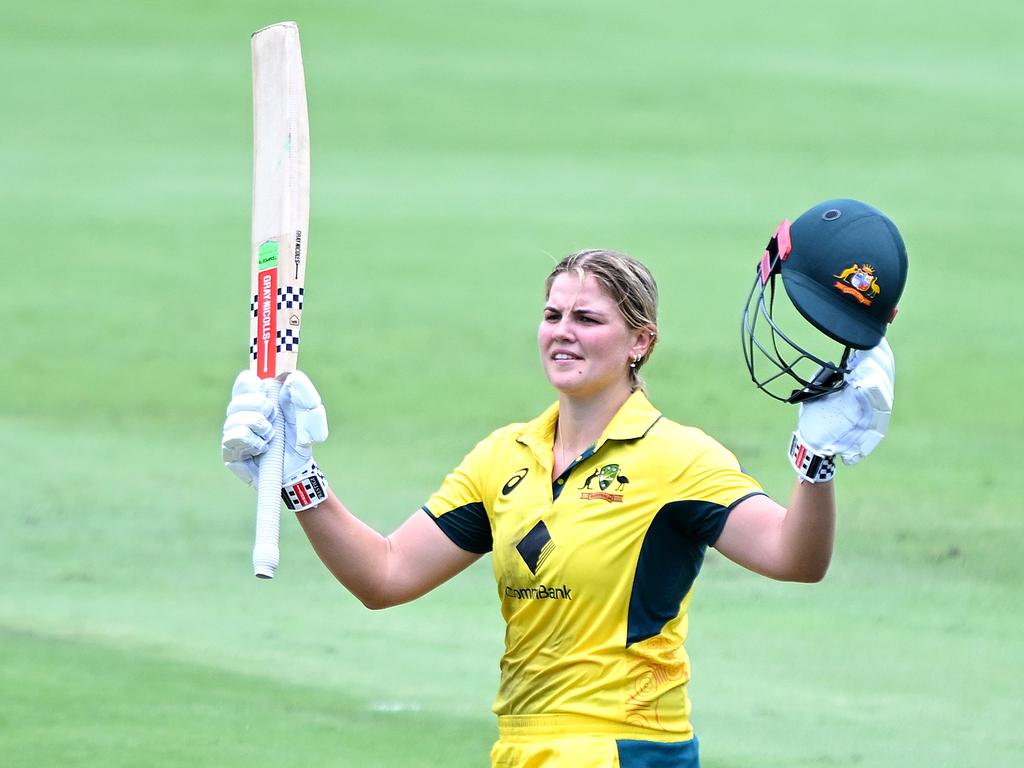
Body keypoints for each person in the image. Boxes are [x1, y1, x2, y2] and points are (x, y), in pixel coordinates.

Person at [222, 201, 905, 768]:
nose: (562, 333)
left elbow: (796, 559)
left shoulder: (679, 459)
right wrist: (298, 475)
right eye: (553, 315)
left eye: (587, 319)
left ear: (641, 342)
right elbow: (385, 576)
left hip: (628, 748)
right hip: (520, 749)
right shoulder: (503, 457)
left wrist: (816, 462)